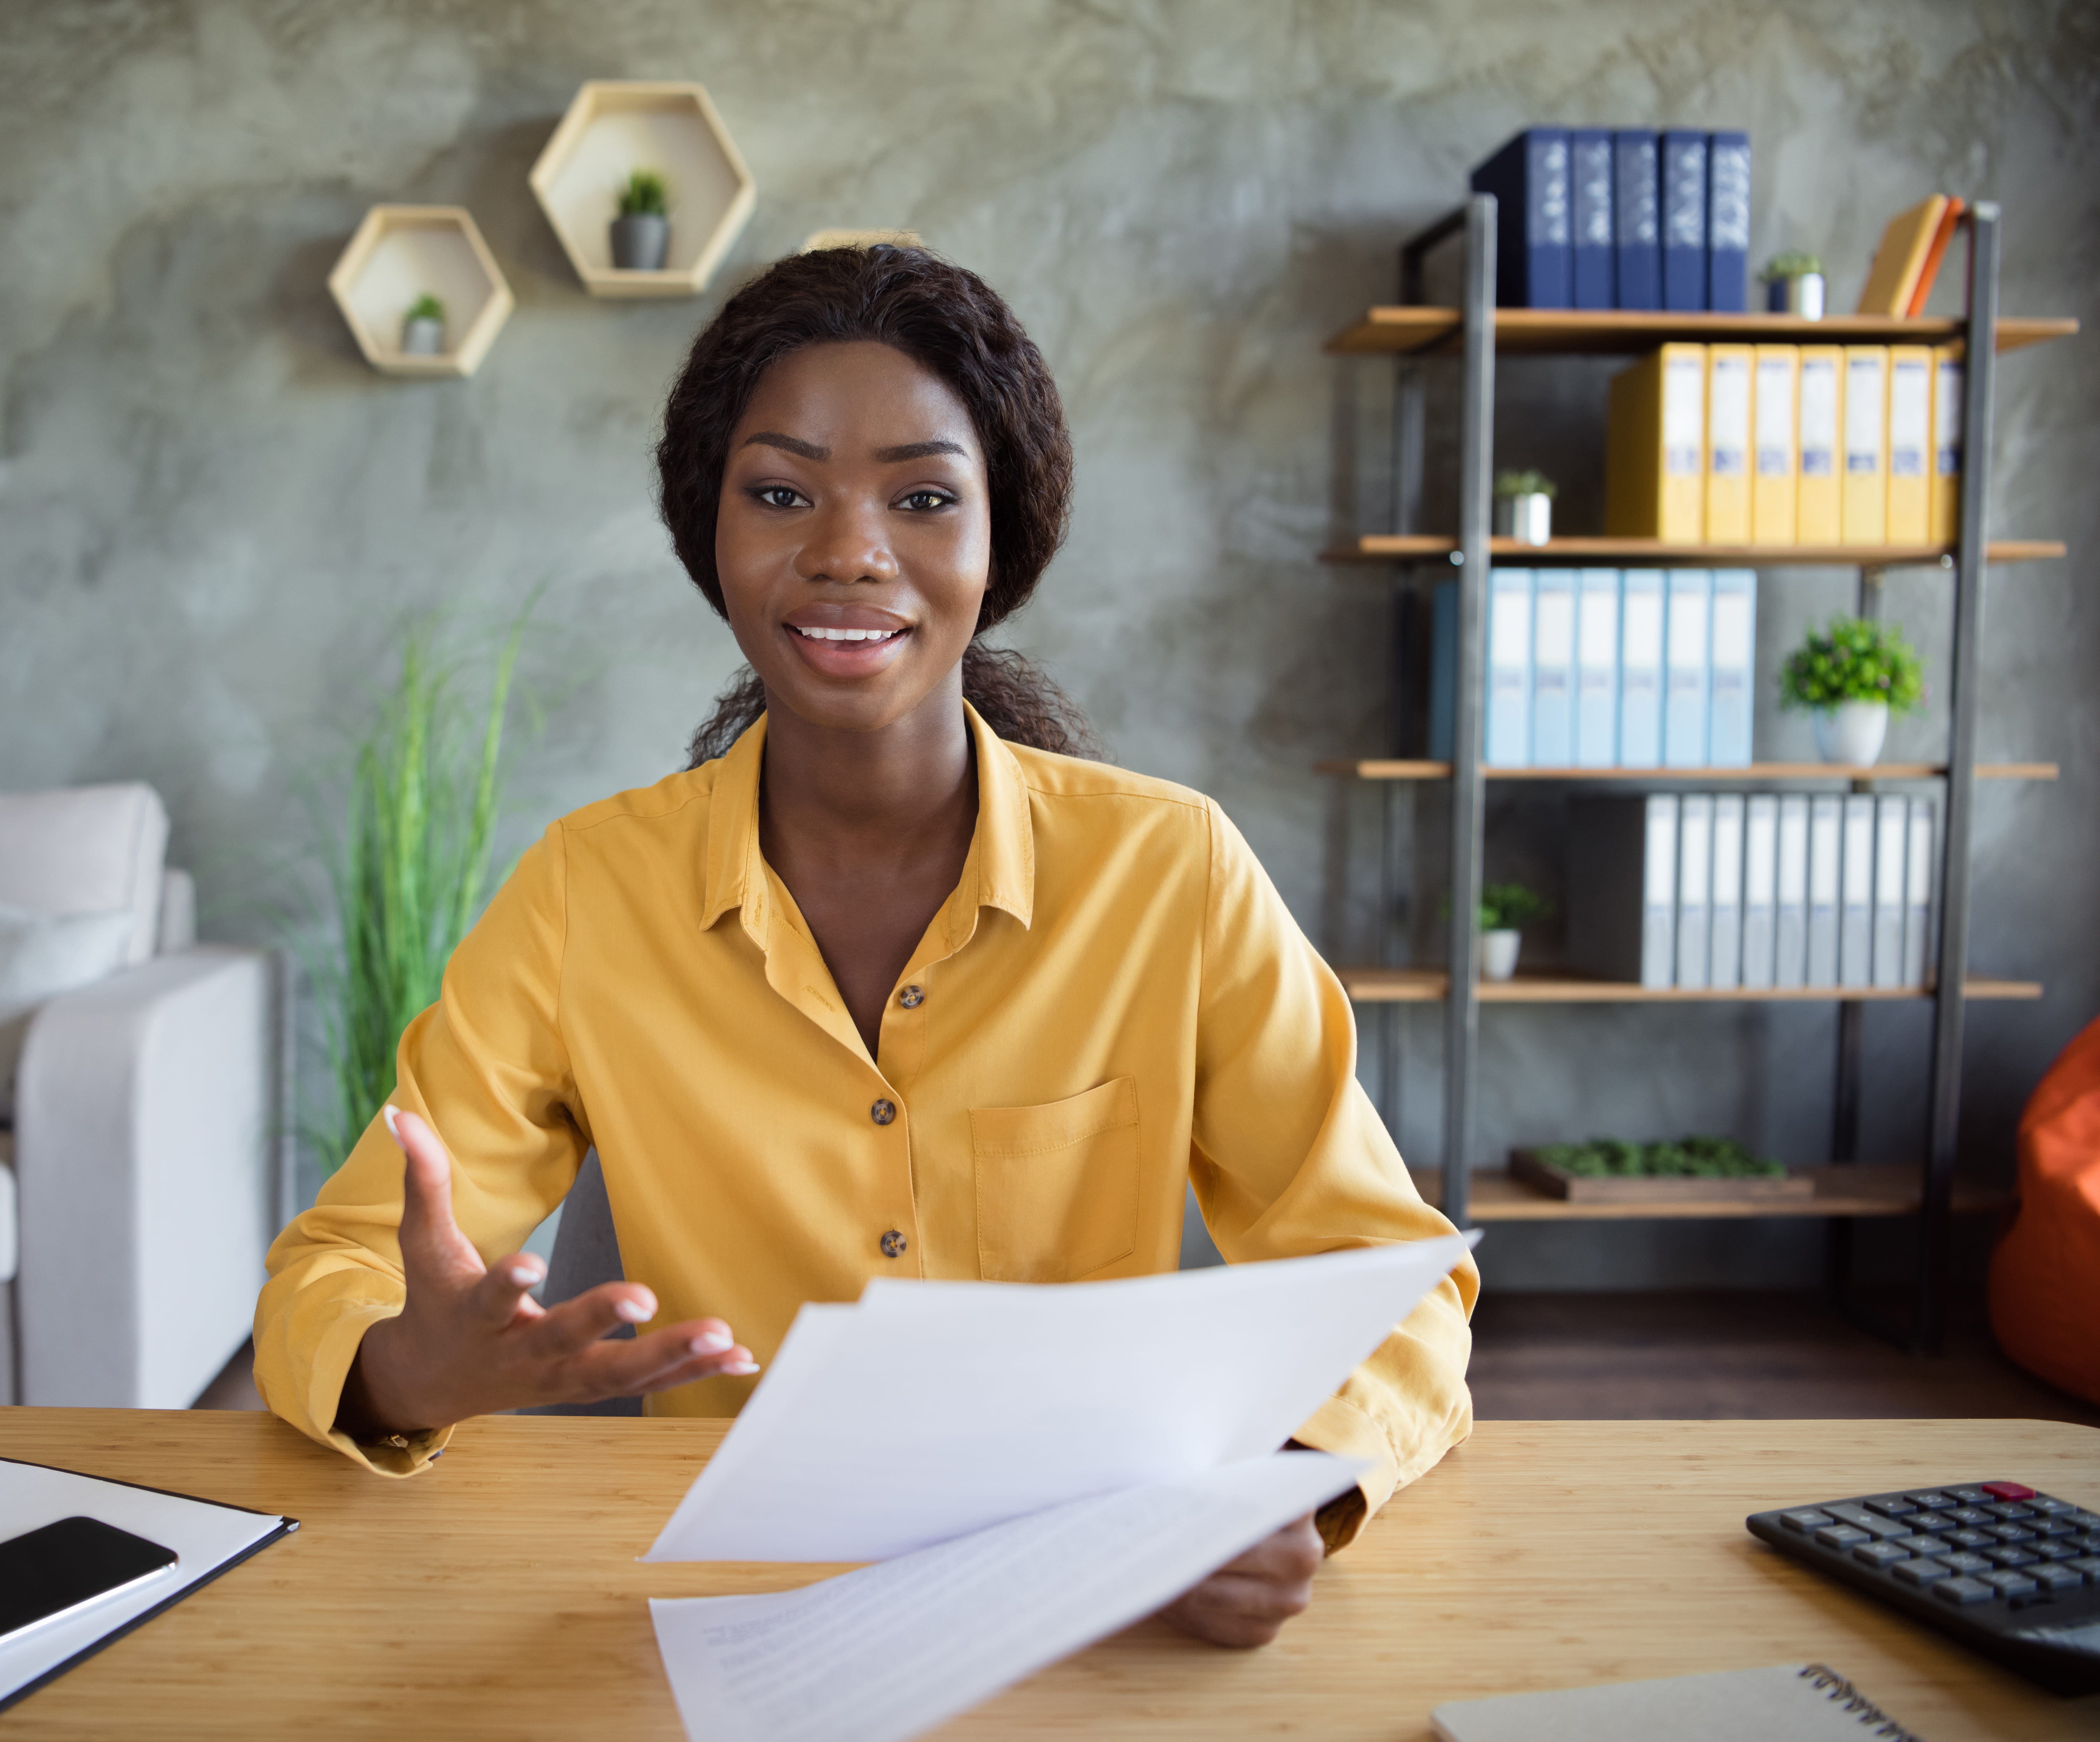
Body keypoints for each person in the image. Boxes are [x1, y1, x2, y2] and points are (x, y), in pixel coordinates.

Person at [254, 244, 1476, 1648]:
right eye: (780, 492)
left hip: (1086, 1608)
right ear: (706, 533)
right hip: (732, 1617)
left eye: (923, 496)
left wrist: (1282, 1485)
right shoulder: (589, 890)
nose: (847, 549)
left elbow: (1393, 1272)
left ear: (997, 538)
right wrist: (404, 1366)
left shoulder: (1171, 870)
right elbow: (336, 1268)